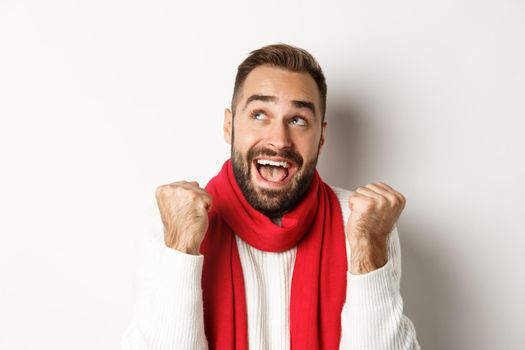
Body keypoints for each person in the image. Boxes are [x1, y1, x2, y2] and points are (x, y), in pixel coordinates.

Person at [121, 43, 420, 350]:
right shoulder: (175, 220)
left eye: (298, 120)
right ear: (229, 125)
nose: (279, 140)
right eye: (260, 114)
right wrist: (182, 249)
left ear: (321, 138)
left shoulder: (363, 223)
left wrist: (369, 250)